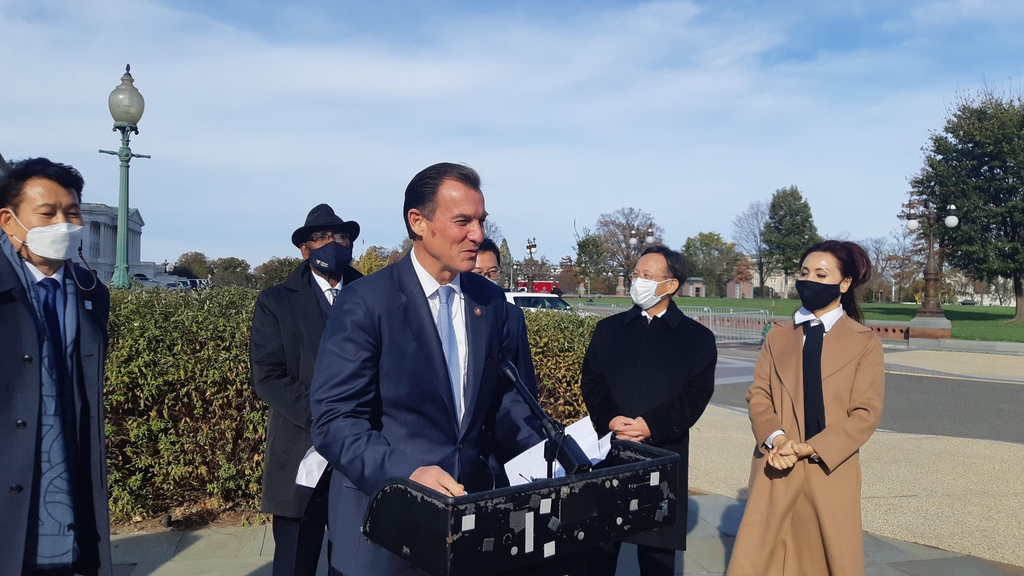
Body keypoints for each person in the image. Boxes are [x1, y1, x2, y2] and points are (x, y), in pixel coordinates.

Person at [309, 162, 543, 576]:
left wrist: (552, 457)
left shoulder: (494, 306)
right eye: (463, 221)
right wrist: (408, 472)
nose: (478, 235)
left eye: (481, 221)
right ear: (418, 221)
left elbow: (510, 404)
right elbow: (335, 421)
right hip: (383, 527)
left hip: (473, 525)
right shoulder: (366, 302)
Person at [727, 240, 883, 576]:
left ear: (845, 284)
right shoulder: (778, 336)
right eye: (804, 272)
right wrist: (778, 440)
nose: (808, 280)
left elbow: (865, 413)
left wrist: (813, 447)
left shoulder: (864, 342)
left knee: (827, 560)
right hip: (776, 465)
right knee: (762, 559)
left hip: (829, 468)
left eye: (821, 274)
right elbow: (759, 395)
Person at [0, 158, 113, 576]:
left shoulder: (91, 292)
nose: (62, 224)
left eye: (72, 213)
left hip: (70, 484)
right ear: (9, 221)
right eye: (46, 214)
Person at [581, 245, 717, 575]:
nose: (637, 282)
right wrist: (611, 418)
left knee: (656, 557)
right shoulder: (608, 330)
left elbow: (694, 397)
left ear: (671, 285)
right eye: (636, 275)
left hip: (661, 456)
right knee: (597, 552)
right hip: (608, 455)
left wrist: (649, 425)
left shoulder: (696, 339)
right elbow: (593, 382)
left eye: (647, 276)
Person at [249, 204, 363, 576]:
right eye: (321, 237)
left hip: (361, 455)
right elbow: (268, 375)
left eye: (340, 237)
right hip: (302, 450)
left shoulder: (371, 295)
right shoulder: (276, 301)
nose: (332, 243)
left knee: (354, 563)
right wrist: (324, 417)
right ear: (304, 249)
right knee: (295, 563)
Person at [473, 237, 538, 397]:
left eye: (492, 272)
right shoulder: (454, 311)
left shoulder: (513, 315)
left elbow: (524, 374)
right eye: (479, 273)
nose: (486, 279)